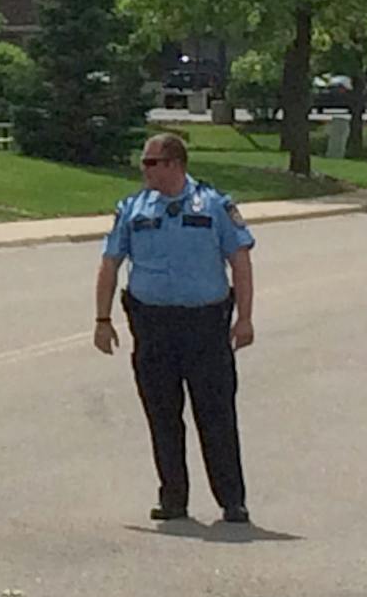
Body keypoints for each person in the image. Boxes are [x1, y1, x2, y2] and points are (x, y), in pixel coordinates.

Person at [93, 130, 256, 523]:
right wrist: (102, 319)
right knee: (162, 415)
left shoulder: (215, 205)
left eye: (151, 162)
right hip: (152, 325)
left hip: (205, 324)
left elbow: (240, 262)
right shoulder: (132, 208)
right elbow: (111, 262)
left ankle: (231, 500)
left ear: (174, 164)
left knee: (215, 414)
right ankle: (173, 498)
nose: (144, 170)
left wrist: (245, 319)